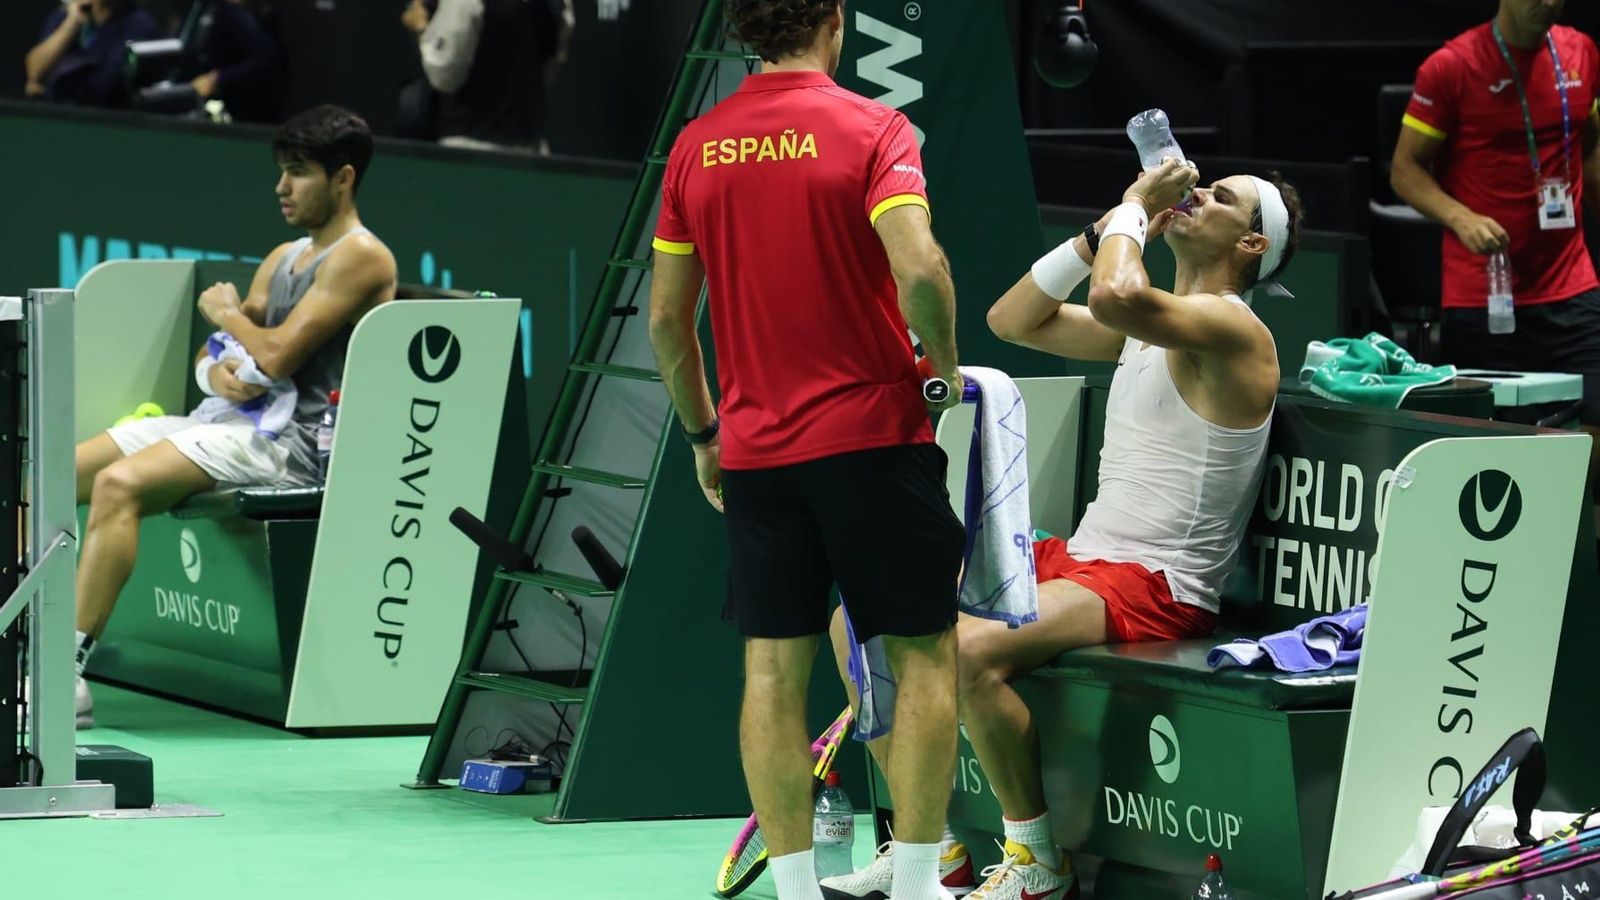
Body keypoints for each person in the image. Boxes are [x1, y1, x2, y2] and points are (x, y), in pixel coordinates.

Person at [822, 161, 1304, 900]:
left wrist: (1135, 210)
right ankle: (933, 847)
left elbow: (1117, 295)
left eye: (1223, 199)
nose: (1199, 195)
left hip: (1158, 584)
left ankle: (1038, 860)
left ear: (1249, 246)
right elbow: (1012, 320)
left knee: (965, 654)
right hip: (1079, 559)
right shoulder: (1147, 331)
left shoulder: (1234, 329)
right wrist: (1094, 235)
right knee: (855, 622)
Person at [644, 2, 966, 898]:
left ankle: (793, 888)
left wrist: (706, 433)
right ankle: (913, 884)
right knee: (925, 656)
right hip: (874, 439)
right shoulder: (876, 129)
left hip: (756, 457)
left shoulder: (697, 146)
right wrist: (938, 374)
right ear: (834, 21)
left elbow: (669, 320)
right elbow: (921, 271)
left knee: (771, 671)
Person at [70, 105, 397, 728]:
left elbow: (274, 354)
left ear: (343, 178)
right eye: (281, 171)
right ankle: (21, 643)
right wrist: (214, 370)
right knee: (49, 476)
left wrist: (228, 319)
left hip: (291, 444)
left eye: (297, 173)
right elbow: (218, 355)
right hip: (226, 419)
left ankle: (66, 672)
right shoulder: (283, 257)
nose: (281, 187)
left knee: (119, 485)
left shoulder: (364, 258)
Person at [1392, 0, 1600, 463]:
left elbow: (1586, 142)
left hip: (1570, 283)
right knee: (1490, 445)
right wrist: (1461, 217)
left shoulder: (1582, 51)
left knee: (1592, 433)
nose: (1550, 3)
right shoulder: (1451, 67)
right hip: (1485, 294)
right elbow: (1405, 170)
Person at [401, 0, 575, 154]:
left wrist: (422, 28)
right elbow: (552, 65)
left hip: (469, 152)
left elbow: (444, 74)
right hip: (529, 152)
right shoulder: (558, 4)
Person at [25, 0, 161, 107]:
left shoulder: (140, 24)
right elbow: (36, 71)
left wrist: (52, 84)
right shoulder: (66, 15)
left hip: (105, 124)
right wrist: (73, 22)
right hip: (55, 119)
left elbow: (102, 86)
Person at [170, 0, 286, 123]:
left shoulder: (233, 14)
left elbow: (266, 58)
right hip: (189, 97)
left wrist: (218, 78)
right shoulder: (200, 9)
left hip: (236, 110)